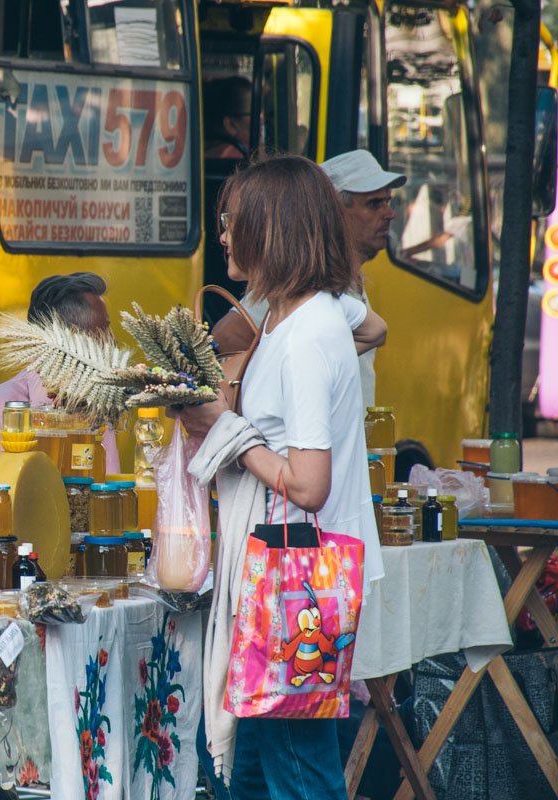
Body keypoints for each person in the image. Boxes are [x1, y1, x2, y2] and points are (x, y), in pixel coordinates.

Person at [180, 155, 385, 800]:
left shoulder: (303, 336)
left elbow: (308, 482)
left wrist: (229, 434)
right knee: (255, 768)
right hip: (284, 573)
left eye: (230, 221)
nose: (222, 235)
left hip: (298, 581)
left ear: (270, 229)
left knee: (298, 773)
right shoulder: (297, 317)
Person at [213, 149, 404, 409]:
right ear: (334, 212)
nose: (389, 213)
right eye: (374, 203)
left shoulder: (339, 281)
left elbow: (376, 331)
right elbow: (228, 335)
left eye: (388, 202)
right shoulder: (302, 287)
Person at [0, 271, 121, 474]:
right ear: (73, 337)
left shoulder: (97, 407)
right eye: (104, 330)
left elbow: (108, 488)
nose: (113, 342)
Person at [203, 77, 254, 160]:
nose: (261, 121)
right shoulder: (235, 155)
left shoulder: (202, 152)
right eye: (254, 115)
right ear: (231, 125)